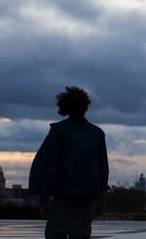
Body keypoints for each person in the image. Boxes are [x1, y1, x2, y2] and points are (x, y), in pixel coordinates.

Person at [29, 86, 109, 239]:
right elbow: (102, 169)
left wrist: (43, 198)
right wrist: (101, 197)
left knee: (56, 233)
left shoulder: (58, 132)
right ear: (86, 107)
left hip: (62, 196)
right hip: (86, 198)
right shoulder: (96, 134)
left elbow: (48, 166)